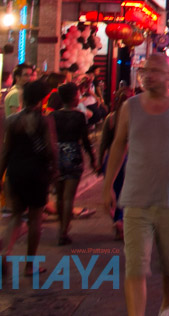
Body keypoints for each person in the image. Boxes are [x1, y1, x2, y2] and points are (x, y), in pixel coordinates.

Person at [104, 53, 169, 316]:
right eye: (144, 70)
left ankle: (167, 306)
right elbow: (118, 145)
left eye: (155, 71)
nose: (147, 75)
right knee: (135, 266)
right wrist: (108, 186)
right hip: (135, 198)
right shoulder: (130, 107)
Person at [0, 79, 57, 268]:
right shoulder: (45, 121)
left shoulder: (12, 120)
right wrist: (55, 170)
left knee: (15, 217)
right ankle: (30, 266)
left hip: (15, 171)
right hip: (37, 173)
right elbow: (51, 149)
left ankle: (5, 253)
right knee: (35, 220)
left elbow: (5, 151)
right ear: (42, 99)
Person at [52, 82, 96, 245]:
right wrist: (93, 159)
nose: (79, 97)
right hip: (73, 156)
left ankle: (61, 228)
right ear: (73, 98)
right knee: (69, 197)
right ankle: (63, 230)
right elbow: (85, 140)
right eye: (78, 94)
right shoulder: (79, 116)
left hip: (56, 156)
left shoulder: (53, 116)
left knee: (59, 195)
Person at [99, 85, 132, 240]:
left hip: (110, 160)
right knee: (125, 192)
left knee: (115, 191)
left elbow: (103, 144)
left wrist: (99, 162)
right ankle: (122, 220)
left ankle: (117, 219)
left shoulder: (110, 119)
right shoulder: (134, 118)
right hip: (127, 159)